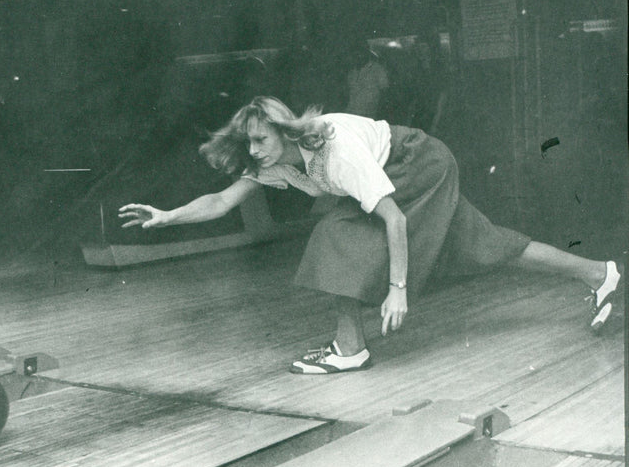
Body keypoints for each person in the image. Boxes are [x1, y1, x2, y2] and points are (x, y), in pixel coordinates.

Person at [119, 96, 623, 374]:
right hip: (404, 171)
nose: (253, 152)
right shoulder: (277, 164)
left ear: (285, 131)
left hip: (417, 163)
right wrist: (167, 217)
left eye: (260, 139)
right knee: (483, 244)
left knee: (335, 236)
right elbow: (223, 200)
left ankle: (350, 348)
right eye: (247, 142)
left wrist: (397, 289)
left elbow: (394, 220)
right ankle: (602, 274)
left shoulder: (336, 151)